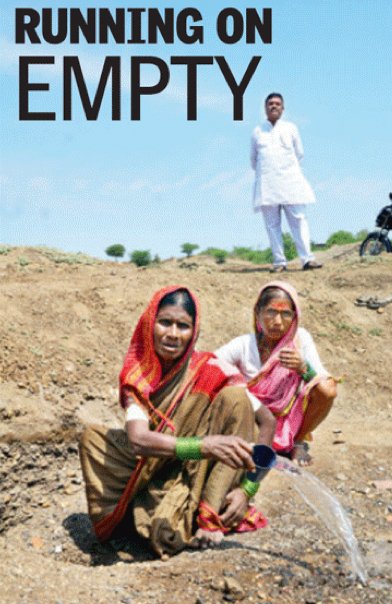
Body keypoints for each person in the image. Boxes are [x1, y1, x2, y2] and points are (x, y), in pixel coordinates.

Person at [80, 286, 275, 558]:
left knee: (235, 399)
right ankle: (133, 507)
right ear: (151, 324)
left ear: (194, 332)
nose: (172, 334)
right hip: (160, 461)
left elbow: (267, 421)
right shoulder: (139, 376)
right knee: (93, 439)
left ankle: (211, 511)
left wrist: (248, 489)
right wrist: (203, 445)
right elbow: (138, 439)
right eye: (165, 322)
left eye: (182, 326)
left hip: (201, 470)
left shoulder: (211, 368)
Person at [216, 281, 338, 465]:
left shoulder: (300, 340)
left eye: (286, 314)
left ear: (295, 317)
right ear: (258, 313)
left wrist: (303, 368)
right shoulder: (244, 345)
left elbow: (324, 381)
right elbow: (211, 365)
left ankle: (297, 442)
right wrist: (237, 383)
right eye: (271, 312)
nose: (278, 322)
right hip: (254, 418)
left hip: (288, 420)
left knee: (327, 390)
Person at [251, 92, 322, 272]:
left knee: (299, 220)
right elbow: (254, 159)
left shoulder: (291, 128)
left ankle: (307, 259)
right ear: (265, 108)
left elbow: (300, 153)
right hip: (267, 184)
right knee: (272, 225)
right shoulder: (257, 131)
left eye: (277, 104)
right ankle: (280, 262)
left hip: (291, 182)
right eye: (270, 104)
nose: (274, 106)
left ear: (283, 109)